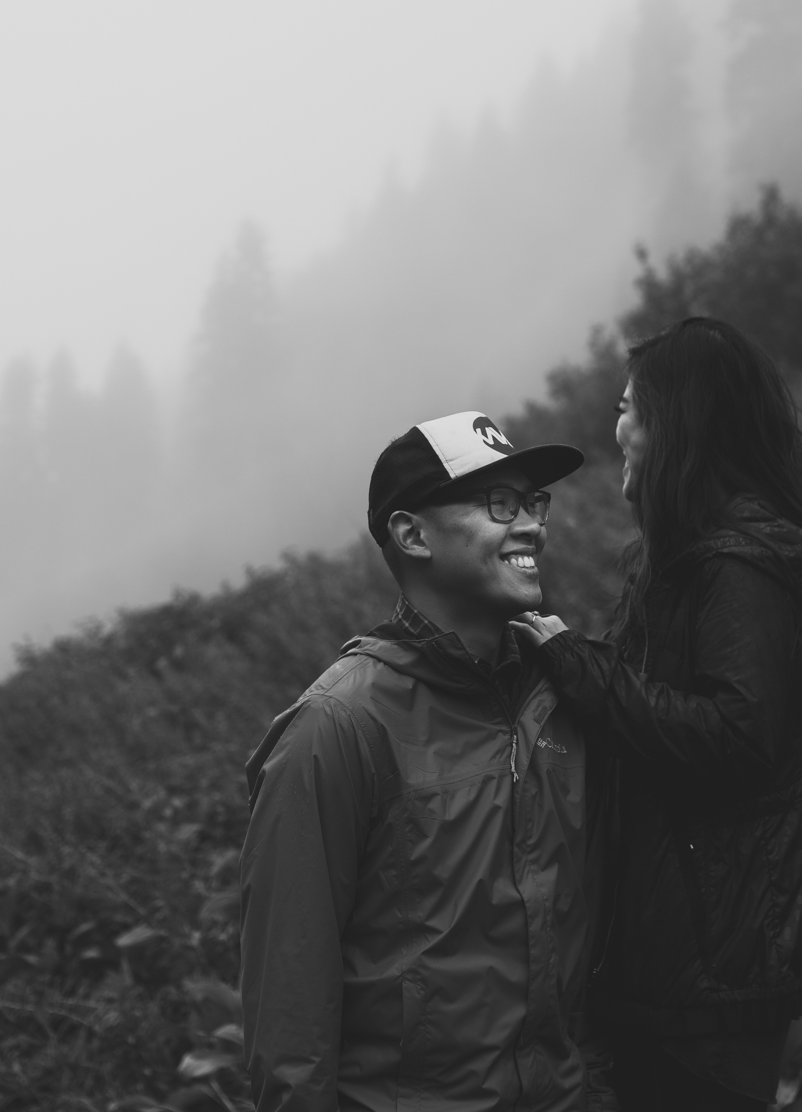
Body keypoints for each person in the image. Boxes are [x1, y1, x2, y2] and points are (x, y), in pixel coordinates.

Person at [511, 317, 802, 1112]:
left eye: (631, 408)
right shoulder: (695, 558)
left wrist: (578, 665)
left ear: (679, 424)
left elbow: (740, 738)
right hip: (686, 957)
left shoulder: (739, 567)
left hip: (712, 970)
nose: (619, 429)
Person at [239, 410, 605, 1112]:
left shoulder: (559, 694)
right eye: (499, 502)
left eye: (533, 502)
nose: (530, 523)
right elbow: (289, 1008)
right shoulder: (337, 727)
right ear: (411, 534)